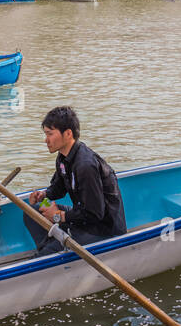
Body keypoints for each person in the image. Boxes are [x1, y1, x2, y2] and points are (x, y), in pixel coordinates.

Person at [24, 106, 126, 255]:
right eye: (45, 134)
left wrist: (59, 216)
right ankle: (50, 246)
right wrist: (43, 195)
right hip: (81, 217)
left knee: (48, 252)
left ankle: (50, 250)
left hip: (102, 229)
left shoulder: (85, 166)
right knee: (32, 211)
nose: (46, 140)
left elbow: (95, 213)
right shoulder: (63, 157)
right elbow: (58, 188)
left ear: (68, 133)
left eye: (50, 134)